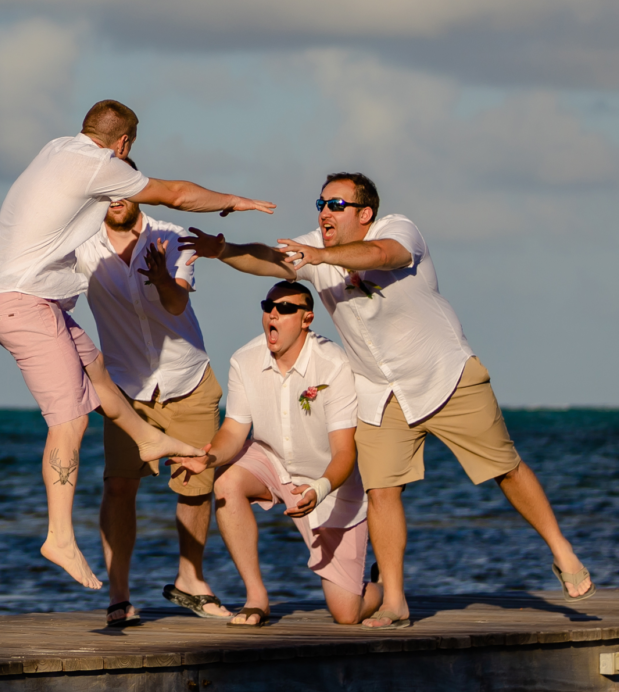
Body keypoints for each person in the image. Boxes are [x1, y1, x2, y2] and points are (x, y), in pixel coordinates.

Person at [192, 172, 592, 627]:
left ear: (365, 213)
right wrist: (222, 251)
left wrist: (320, 257)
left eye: (336, 205)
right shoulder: (312, 248)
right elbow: (268, 259)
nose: (324, 211)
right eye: (320, 203)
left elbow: (383, 255)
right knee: (382, 490)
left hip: (444, 375)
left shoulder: (399, 230)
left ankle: (562, 551)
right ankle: (395, 600)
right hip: (380, 393)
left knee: (505, 467)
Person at [0, 100, 275, 589]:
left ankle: (148, 438)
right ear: (124, 145)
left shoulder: (57, 149)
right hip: (21, 302)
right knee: (68, 420)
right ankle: (59, 535)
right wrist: (234, 201)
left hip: (30, 300)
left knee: (95, 372)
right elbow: (174, 193)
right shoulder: (98, 165)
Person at [73, 191, 229, 626]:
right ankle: (119, 595)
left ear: (139, 192)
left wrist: (161, 278)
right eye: (106, 194)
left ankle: (190, 580)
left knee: (195, 486)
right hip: (125, 389)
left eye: (125, 192)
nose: (116, 200)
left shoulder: (171, 235)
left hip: (187, 379)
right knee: (119, 487)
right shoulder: (80, 246)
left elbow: (177, 302)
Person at [205, 280, 380, 627]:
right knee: (226, 484)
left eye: (286, 308)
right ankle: (256, 599)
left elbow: (345, 452)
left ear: (306, 319)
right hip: (272, 462)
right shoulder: (244, 359)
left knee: (347, 614)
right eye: (268, 306)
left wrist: (320, 489)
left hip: (329, 487)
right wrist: (207, 458)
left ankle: (383, 586)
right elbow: (234, 432)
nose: (273, 313)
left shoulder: (333, 364)